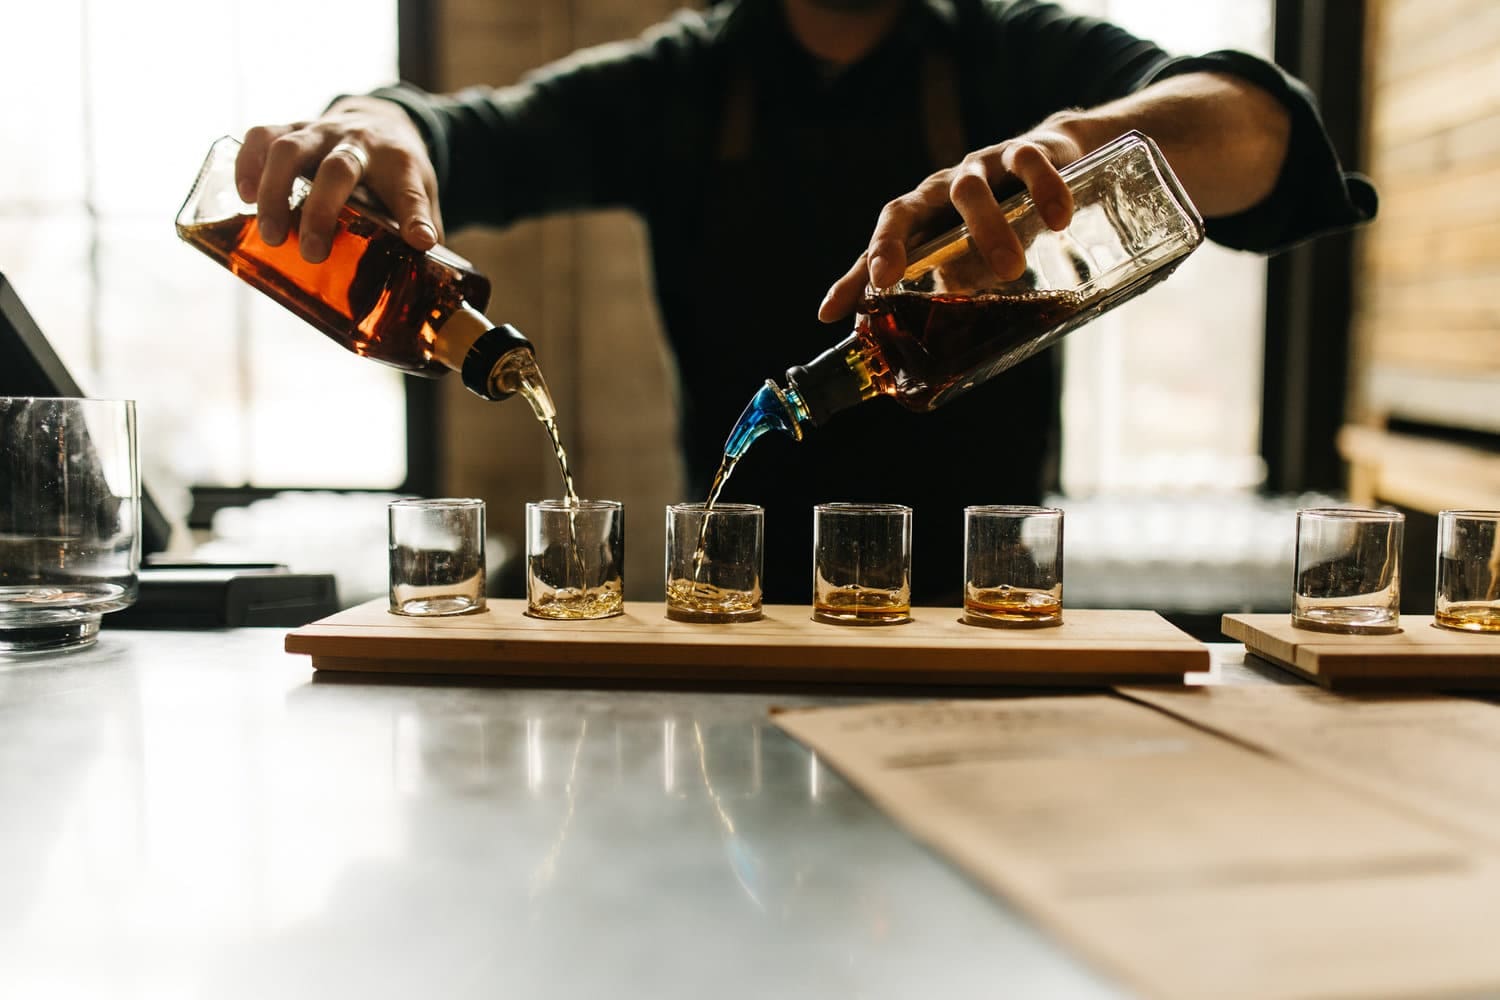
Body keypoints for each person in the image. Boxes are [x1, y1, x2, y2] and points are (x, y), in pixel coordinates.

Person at [235, 0, 1375, 603]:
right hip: (746, 624)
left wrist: (1075, 145)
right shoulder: (680, 80)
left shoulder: (1014, 54)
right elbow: (464, 133)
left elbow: (1265, 136)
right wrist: (377, 123)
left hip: (985, 625)